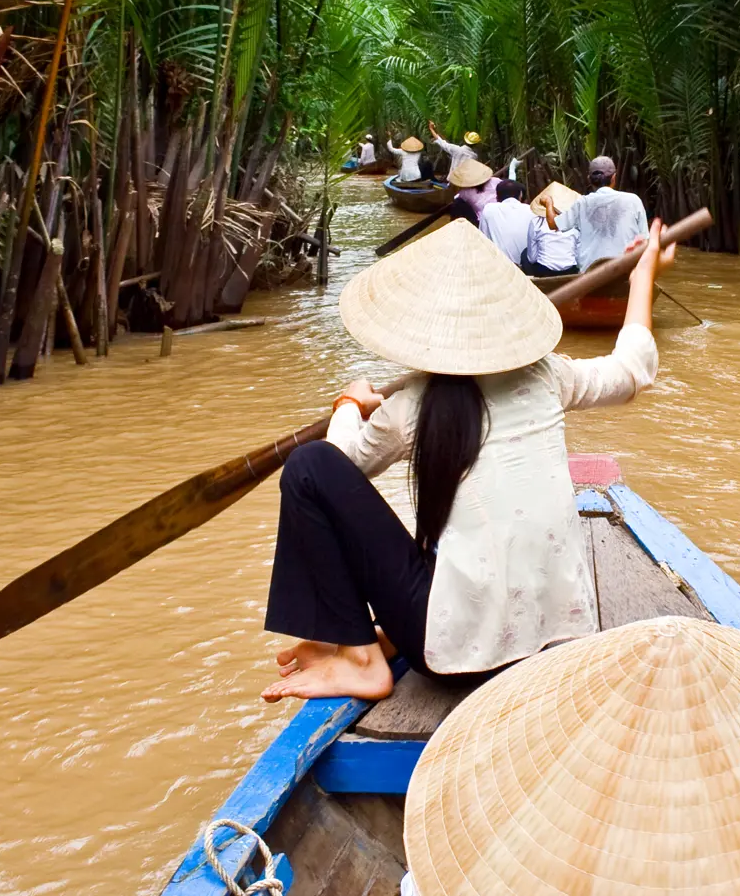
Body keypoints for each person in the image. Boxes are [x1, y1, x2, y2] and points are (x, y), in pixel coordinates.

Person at [259, 217, 678, 700]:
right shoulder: (546, 377)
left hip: (451, 662)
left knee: (309, 467)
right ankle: (387, 636)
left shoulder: (413, 403)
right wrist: (642, 275)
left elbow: (342, 461)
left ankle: (359, 658)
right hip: (558, 640)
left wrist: (350, 406)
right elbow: (632, 370)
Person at [547, 155, 648, 271]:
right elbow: (645, 240)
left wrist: (549, 203)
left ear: (589, 179)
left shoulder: (582, 203)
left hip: (591, 274)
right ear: (614, 177)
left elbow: (552, 223)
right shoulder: (633, 200)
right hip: (626, 270)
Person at [478, 180, 534, 265]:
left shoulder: (489, 209)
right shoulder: (531, 210)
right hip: (528, 266)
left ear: (497, 196)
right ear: (520, 195)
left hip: (501, 266)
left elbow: (483, 240)